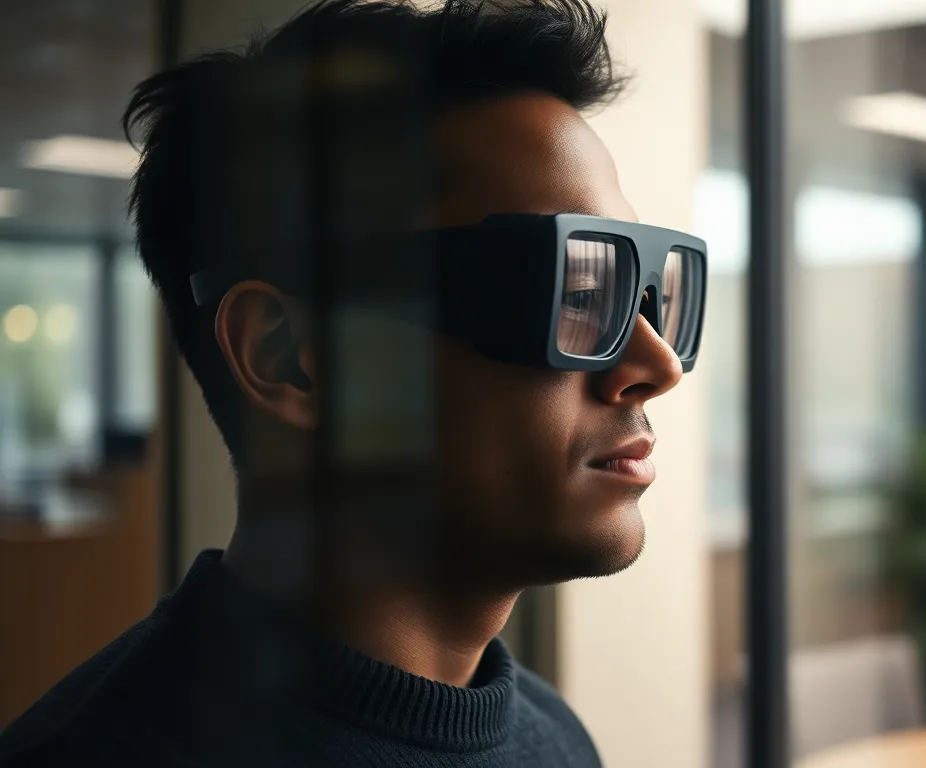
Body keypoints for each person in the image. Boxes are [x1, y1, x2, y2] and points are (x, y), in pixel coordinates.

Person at [0, 1, 705, 765]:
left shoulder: (553, 740)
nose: (656, 366)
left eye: (649, 298)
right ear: (290, 357)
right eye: (576, 292)